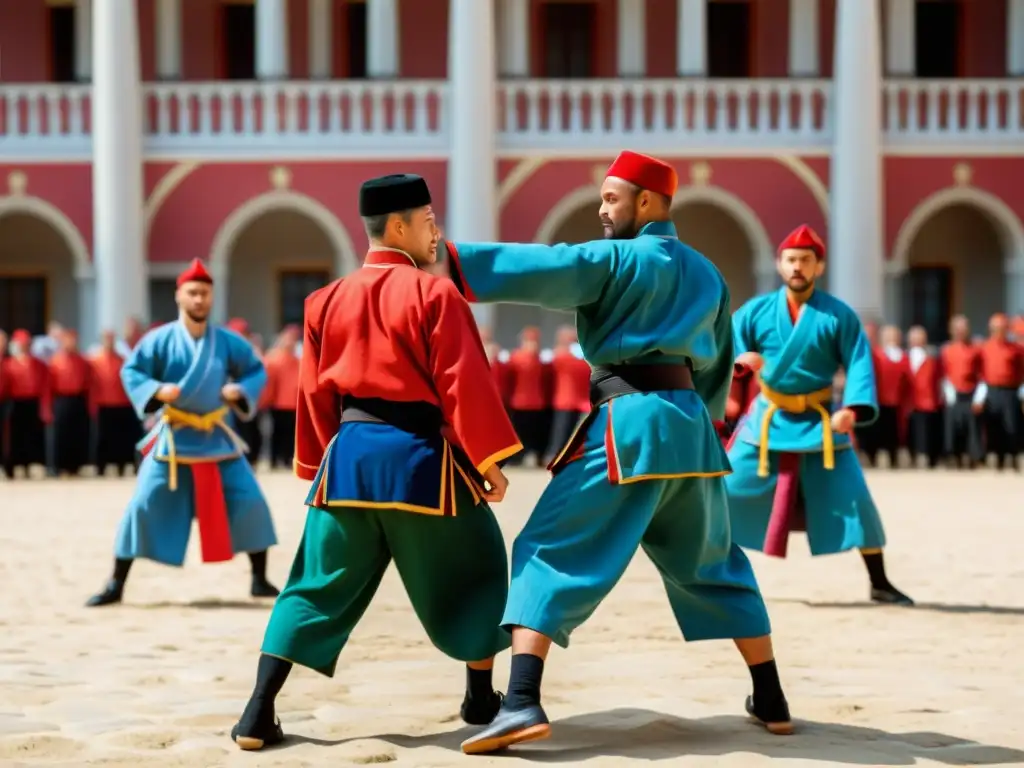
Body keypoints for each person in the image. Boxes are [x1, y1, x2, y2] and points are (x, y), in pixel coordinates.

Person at [444, 151, 790, 755]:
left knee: (548, 548)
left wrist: (441, 258)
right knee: (713, 561)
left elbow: (542, 266)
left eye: (611, 198)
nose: (601, 210)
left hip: (628, 424)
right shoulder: (709, 273)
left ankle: (521, 700)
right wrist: (704, 422)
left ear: (648, 201)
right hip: (692, 433)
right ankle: (771, 698)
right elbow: (714, 359)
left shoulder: (612, 259)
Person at [231, 174, 523, 751]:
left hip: (346, 464)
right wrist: (488, 461)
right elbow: (463, 385)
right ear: (397, 226)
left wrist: (316, 463)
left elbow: (314, 394)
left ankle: (257, 712)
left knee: (312, 585)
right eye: (428, 220)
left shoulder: (323, 300)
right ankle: (480, 695)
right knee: (480, 565)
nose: (436, 232)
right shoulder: (436, 295)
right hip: (419, 464)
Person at [723, 225, 914, 606]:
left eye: (805, 261)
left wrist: (852, 409)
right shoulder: (756, 311)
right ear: (779, 265)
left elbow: (860, 362)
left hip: (821, 423)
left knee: (855, 499)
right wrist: (743, 362)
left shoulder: (839, 316)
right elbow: (729, 342)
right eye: (791, 260)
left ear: (819, 266)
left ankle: (879, 581)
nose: (797, 267)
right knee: (722, 493)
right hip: (768, 418)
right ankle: (715, 575)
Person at [84, 259, 280, 607]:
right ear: (179, 297)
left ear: (211, 297)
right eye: (192, 293)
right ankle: (116, 582)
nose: (199, 300)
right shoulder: (159, 340)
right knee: (142, 504)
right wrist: (157, 391)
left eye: (204, 293)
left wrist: (241, 391)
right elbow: (133, 371)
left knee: (250, 501)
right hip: (173, 439)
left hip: (217, 437)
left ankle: (259, 578)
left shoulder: (228, 342)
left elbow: (254, 369)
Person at [90, 330, 142, 477]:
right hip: (103, 403)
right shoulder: (95, 361)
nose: (109, 342)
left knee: (122, 438)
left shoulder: (122, 360)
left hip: (121, 403)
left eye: (111, 339)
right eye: (106, 339)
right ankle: (101, 467)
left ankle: (122, 466)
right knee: (102, 438)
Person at [0, 329, 50, 479]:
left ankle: (28, 465)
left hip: (32, 403)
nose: (23, 347)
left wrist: (44, 407)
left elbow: (44, 386)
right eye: (21, 344)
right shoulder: (8, 364)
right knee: (15, 437)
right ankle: (13, 466)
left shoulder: (38, 364)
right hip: (15, 403)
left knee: (30, 436)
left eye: (26, 344)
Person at [977, 313, 1023, 470]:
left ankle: (1014, 457)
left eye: (1002, 328)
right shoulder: (984, 347)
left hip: (1010, 390)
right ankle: (998, 459)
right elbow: (980, 373)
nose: (999, 331)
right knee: (994, 426)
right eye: (996, 328)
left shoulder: (1016, 349)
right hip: (992, 390)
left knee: (1012, 425)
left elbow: (1021, 371)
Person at [48, 329, 94, 477]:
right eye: (68, 340)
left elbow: (89, 382)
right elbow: (50, 385)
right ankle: (59, 466)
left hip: (78, 399)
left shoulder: (82, 361)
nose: (71, 343)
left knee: (77, 433)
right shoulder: (55, 361)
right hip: (61, 399)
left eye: (74, 340)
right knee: (61, 433)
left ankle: (76, 465)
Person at [542, 326, 590, 464]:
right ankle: (557, 456)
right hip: (571, 400)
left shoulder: (565, 354)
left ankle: (558, 456)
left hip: (572, 399)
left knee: (565, 432)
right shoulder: (571, 354)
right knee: (563, 432)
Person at [941, 315, 984, 469]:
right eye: (957, 328)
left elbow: (981, 373)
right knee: (953, 427)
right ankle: (954, 457)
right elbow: (943, 373)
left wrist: (979, 397)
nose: (961, 331)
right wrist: (947, 391)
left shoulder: (976, 349)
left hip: (971, 392)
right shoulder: (947, 349)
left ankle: (973, 458)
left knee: (972, 427)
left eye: (963, 328)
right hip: (954, 392)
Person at [263, 325, 301, 469]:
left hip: (288, 404)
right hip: (280, 403)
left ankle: (284, 459)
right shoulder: (276, 359)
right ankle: (277, 459)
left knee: (286, 434)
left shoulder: (295, 360)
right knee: (279, 433)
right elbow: (270, 383)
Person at [906, 326, 943, 469]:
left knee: (927, 431)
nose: (916, 340)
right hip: (910, 401)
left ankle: (927, 457)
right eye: (914, 337)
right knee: (910, 431)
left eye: (919, 337)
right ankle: (912, 456)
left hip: (927, 400)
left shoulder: (931, 357)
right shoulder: (904, 356)